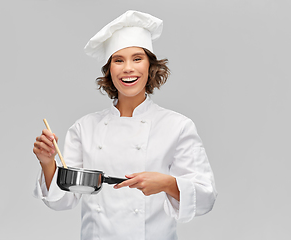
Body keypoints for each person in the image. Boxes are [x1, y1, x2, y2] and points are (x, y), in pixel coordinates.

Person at [33, 10, 217, 240]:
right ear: (109, 70)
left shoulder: (177, 126)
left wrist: (167, 184)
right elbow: (62, 199)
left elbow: (205, 198)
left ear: (150, 66)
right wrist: (47, 162)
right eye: (118, 60)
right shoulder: (85, 127)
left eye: (137, 59)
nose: (128, 68)